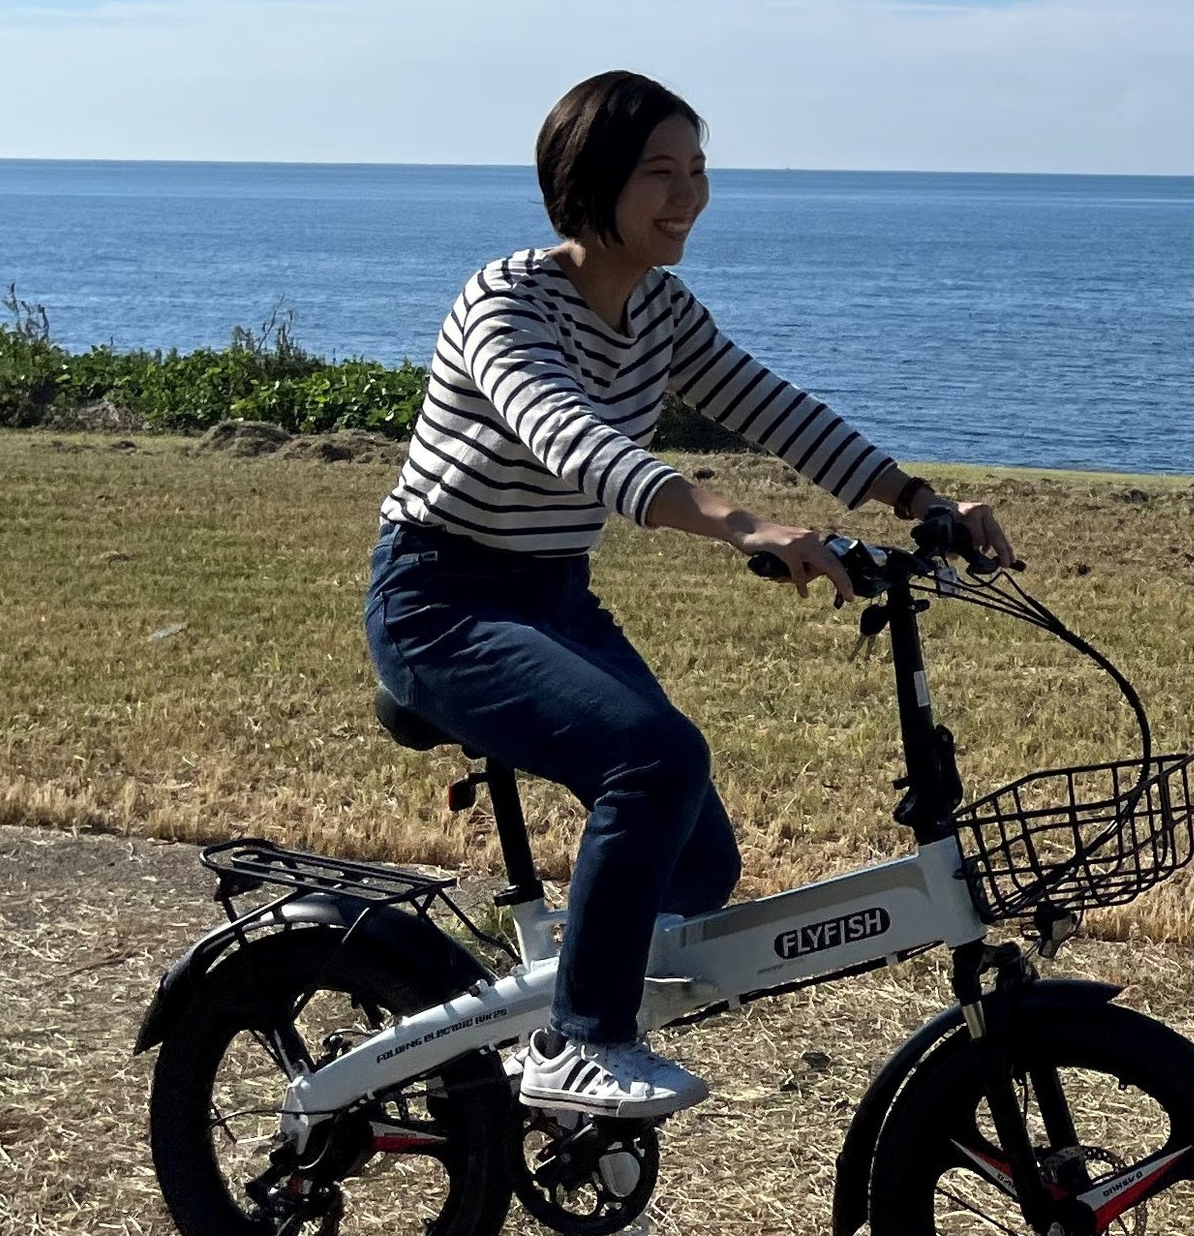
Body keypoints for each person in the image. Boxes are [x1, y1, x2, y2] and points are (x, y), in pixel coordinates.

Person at [364, 71, 1013, 1121]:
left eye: (698, 169)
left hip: (550, 592)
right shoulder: (505, 299)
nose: (688, 194)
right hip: (437, 601)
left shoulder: (659, 307)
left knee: (699, 860)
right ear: (591, 183)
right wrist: (743, 525)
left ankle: (565, 990)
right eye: (659, 173)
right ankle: (580, 1039)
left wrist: (920, 498)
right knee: (654, 762)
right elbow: (576, 441)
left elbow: (771, 405)